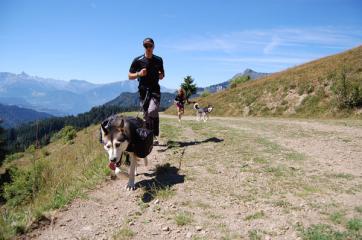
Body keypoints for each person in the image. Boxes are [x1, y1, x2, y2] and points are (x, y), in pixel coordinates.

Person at [128, 37, 165, 145]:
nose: (148, 48)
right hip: (143, 91)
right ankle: (151, 137)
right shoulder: (137, 60)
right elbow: (129, 76)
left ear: (153, 47)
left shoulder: (159, 60)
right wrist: (139, 74)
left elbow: (162, 75)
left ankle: (153, 135)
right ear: (143, 47)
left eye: (150, 46)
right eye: (146, 46)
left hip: (155, 90)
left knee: (152, 111)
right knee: (146, 115)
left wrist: (161, 75)